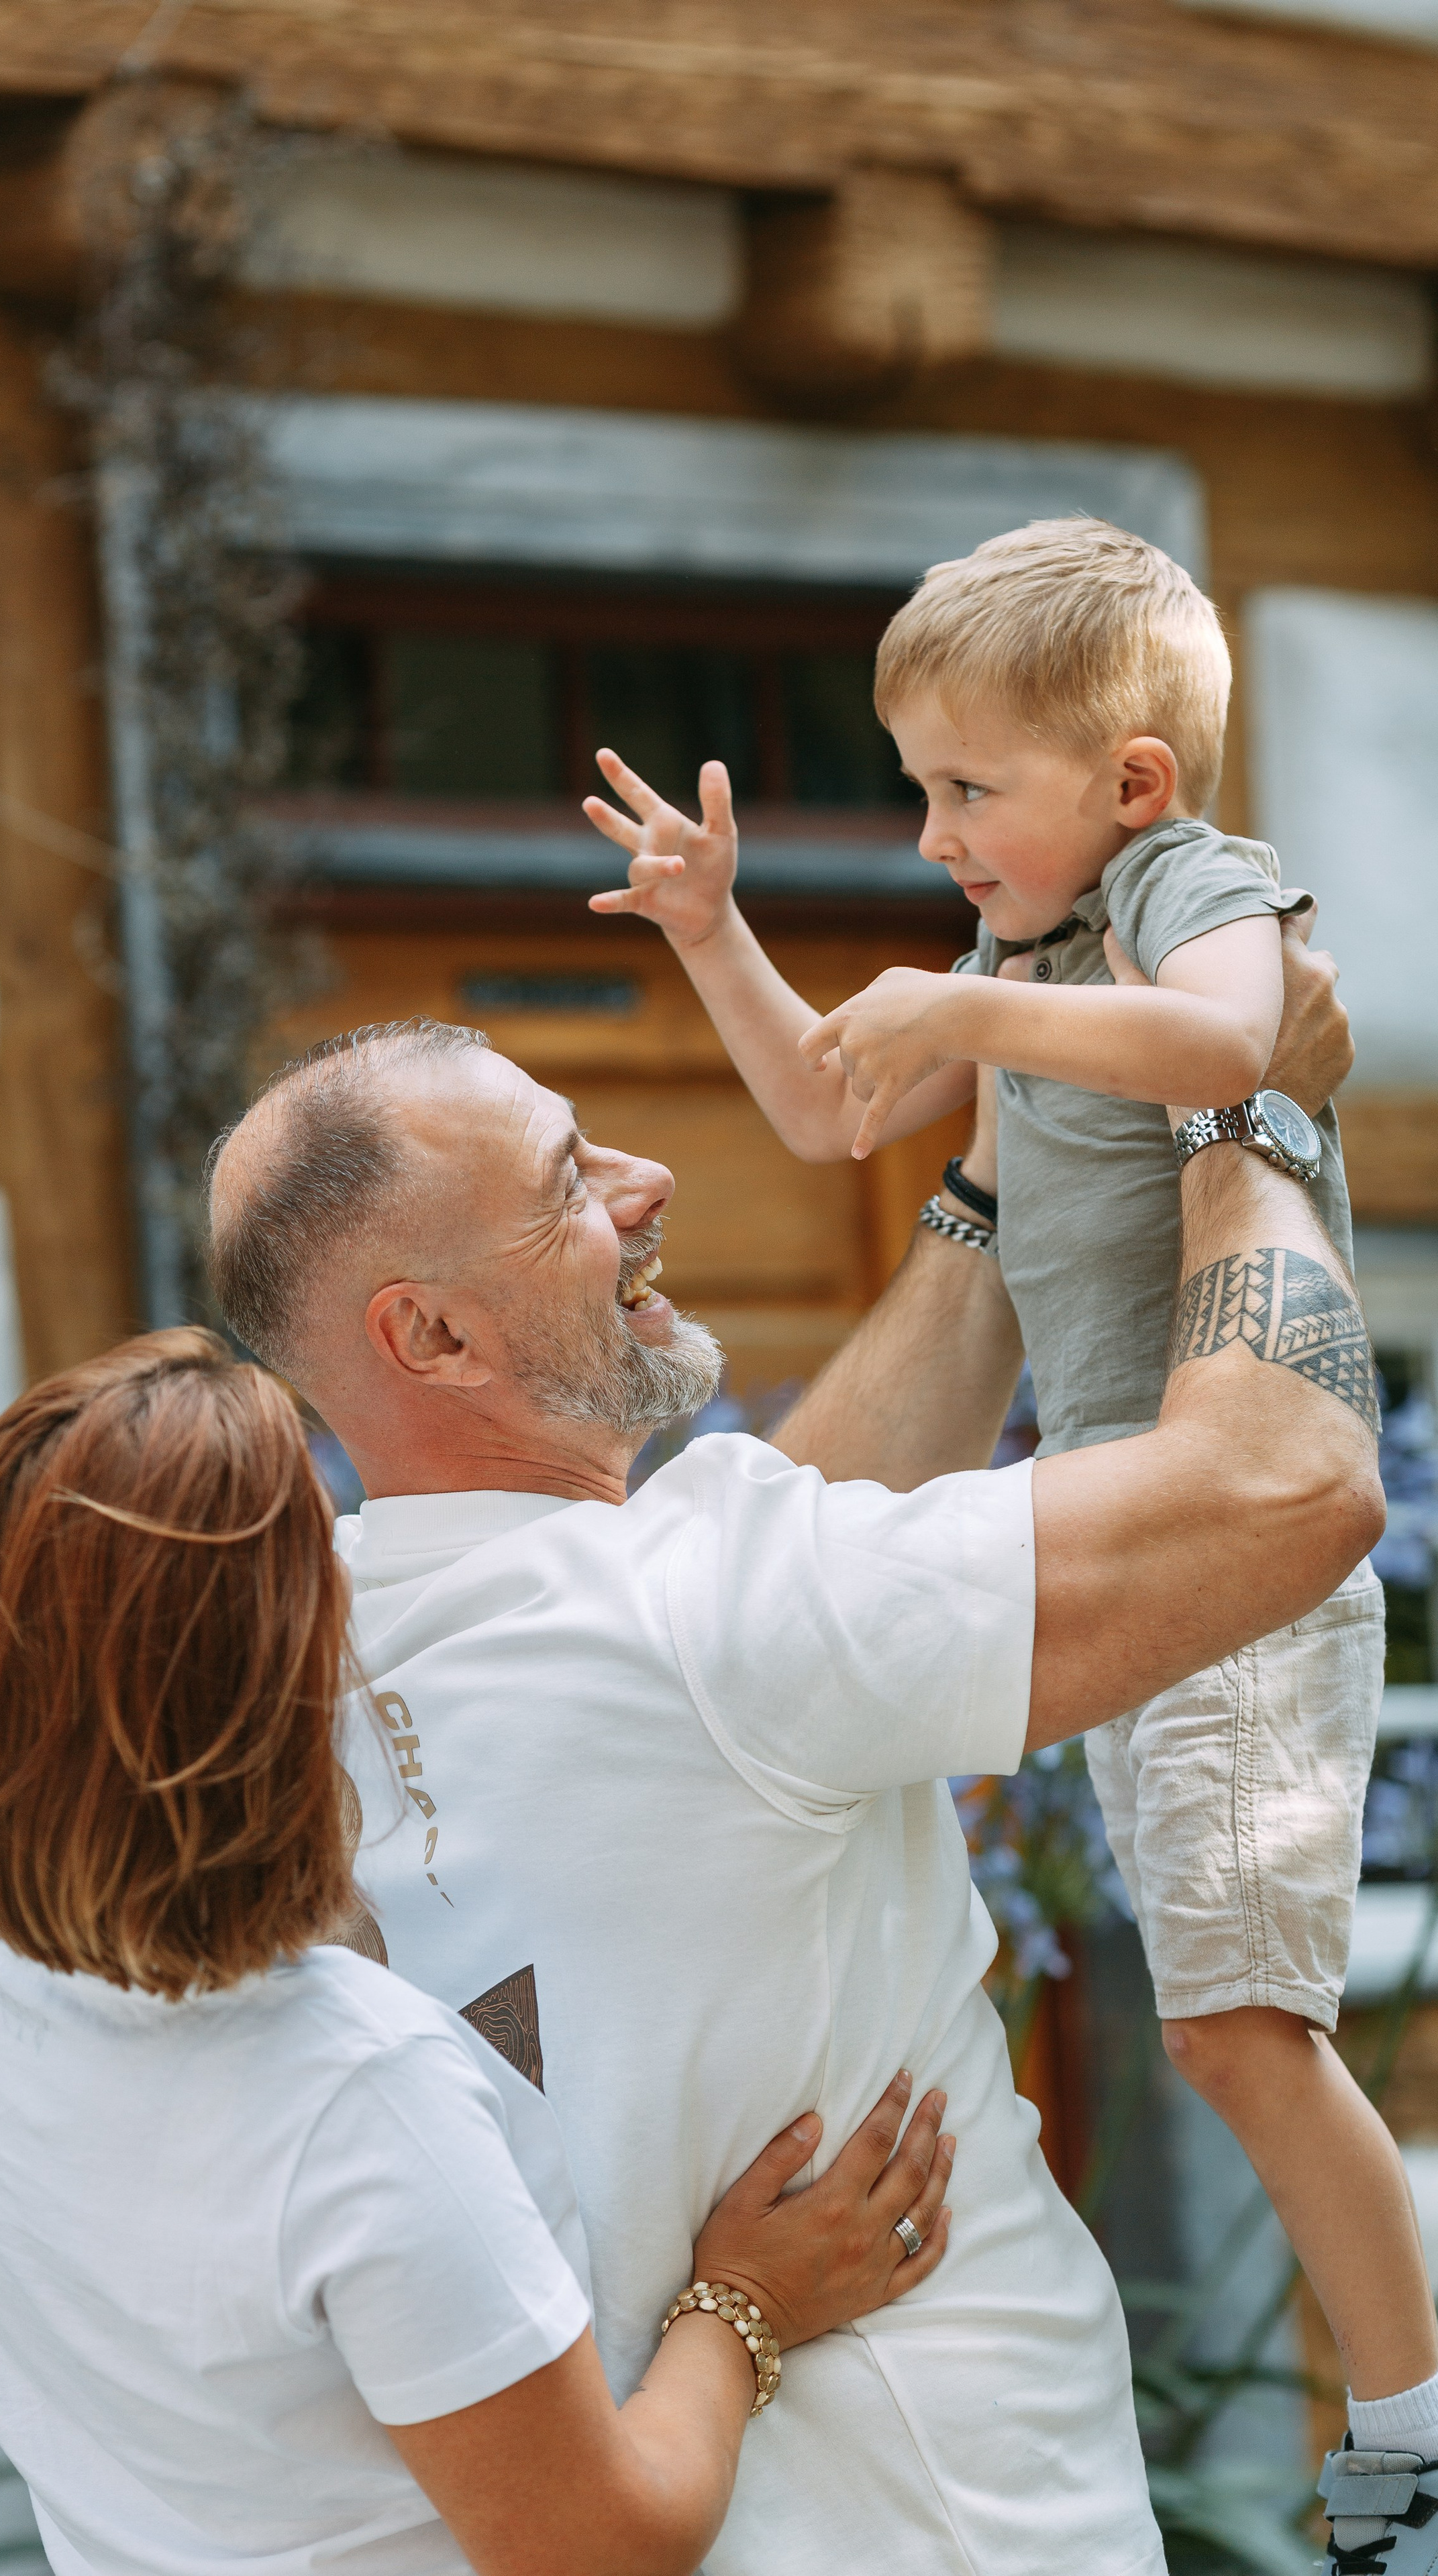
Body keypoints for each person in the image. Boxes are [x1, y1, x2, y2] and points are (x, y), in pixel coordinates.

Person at [205, 905, 1380, 2575]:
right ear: (436, 1339)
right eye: (564, 1184)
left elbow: (780, 1593)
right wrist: (1240, 1107)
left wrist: (994, 1189)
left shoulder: (311, 1638)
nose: (643, 1180)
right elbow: (1292, 1489)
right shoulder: (708, 1619)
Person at [579, 514, 1431, 2557]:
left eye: (972, 787)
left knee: (1240, 2031)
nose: (940, 832)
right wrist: (715, 935)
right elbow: (819, 1114)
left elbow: (1237, 1045)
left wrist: (964, 1021)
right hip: (1117, 1520)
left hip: (1226, 1516)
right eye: (923, 790)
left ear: (1129, 783)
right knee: (1216, 2019)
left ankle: (1411, 2438)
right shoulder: (1008, 964)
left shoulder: (1176, 887)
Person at [0, 1328, 958, 2576]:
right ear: (286, 1666)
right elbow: (602, 2545)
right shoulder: (353, 2084)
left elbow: (9, 2330)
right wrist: (747, 2304)